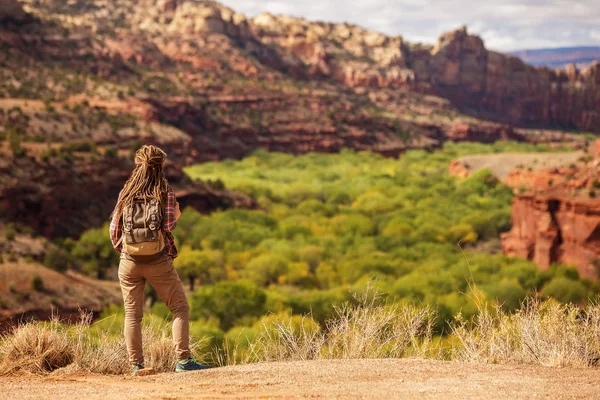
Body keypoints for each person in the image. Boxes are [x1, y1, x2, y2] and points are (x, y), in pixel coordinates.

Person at [109, 144, 209, 375]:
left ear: (138, 165)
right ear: (160, 166)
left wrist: (126, 251)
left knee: (133, 315)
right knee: (179, 308)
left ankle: (137, 365)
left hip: (129, 262)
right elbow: (168, 226)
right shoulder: (165, 192)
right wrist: (176, 212)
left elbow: (115, 229)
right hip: (157, 261)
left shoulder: (127, 192)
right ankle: (183, 361)